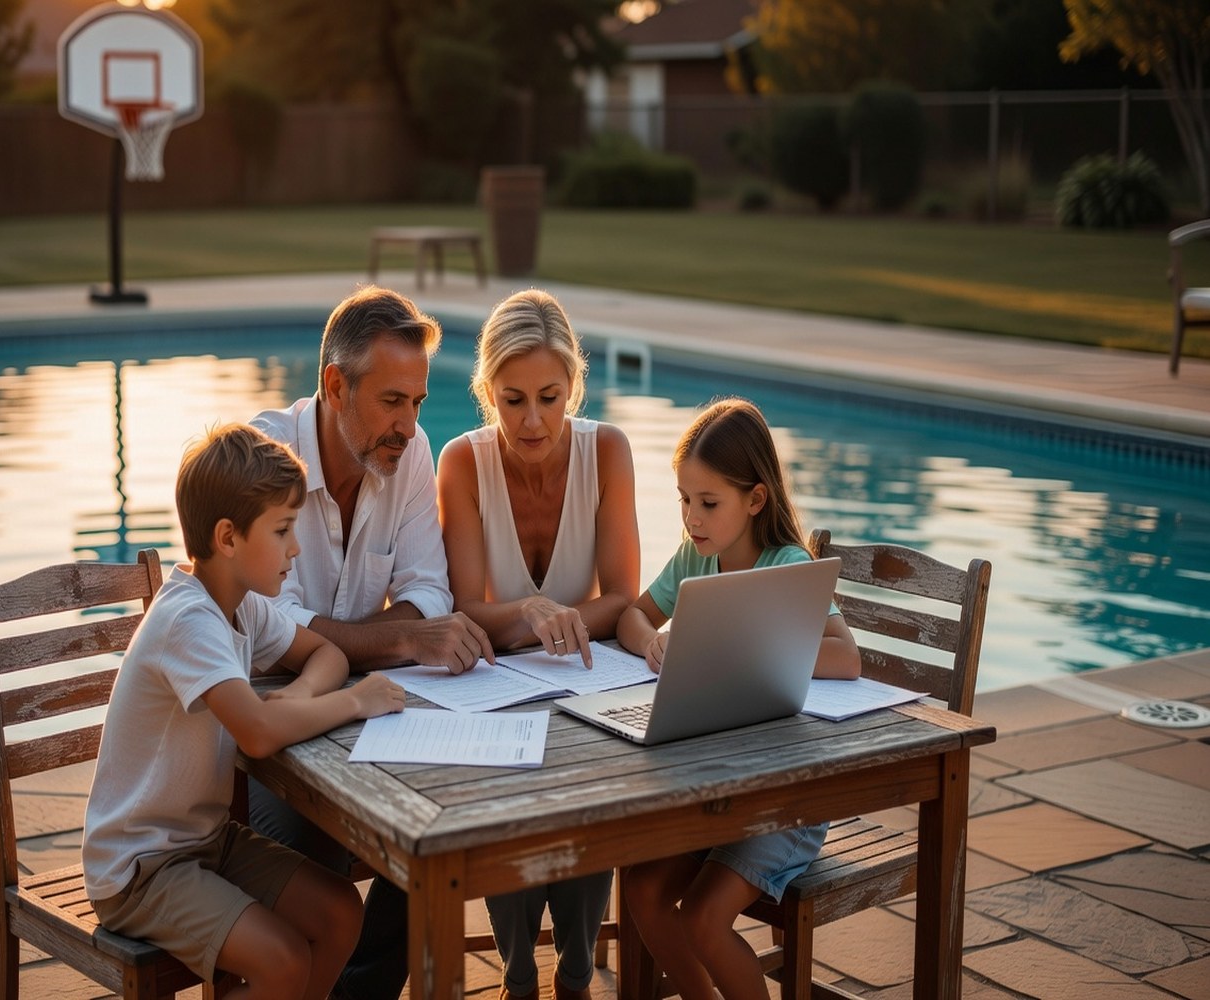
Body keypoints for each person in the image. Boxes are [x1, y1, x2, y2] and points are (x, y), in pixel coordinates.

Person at [81, 423, 407, 999]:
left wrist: (300, 696)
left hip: (207, 841)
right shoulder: (188, 620)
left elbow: (327, 653)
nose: (295, 548)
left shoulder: (242, 606)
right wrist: (356, 700)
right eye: (282, 530)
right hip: (141, 868)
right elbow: (257, 733)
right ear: (228, 537)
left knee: (340, 914)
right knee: (283, 961)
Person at [249, 285, 496, 1000]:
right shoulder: (260, 460)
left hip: (362, 713)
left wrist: (388, 638)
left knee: (440, 826)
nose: (409, 425)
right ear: (336, 387)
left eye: (417, 402)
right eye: (392, 401)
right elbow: (272, 633)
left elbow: (431, 592)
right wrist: (405, 638)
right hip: (264, 736)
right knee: (314, 853)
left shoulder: (407, 455)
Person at [614, 397, 861, 1000]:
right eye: (684, 500)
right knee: (642, 889)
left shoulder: (788, 566)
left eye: (708, 503)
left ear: (755, 500)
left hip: (786, 800)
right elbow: (630, 616)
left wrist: (746, 652)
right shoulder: (695, 556)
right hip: (716, 793)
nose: (691, 518)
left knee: (703, 919)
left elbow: (846, 657)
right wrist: (651, 642)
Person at [435, 289, 640, 1000]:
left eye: (549, 398)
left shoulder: (607, 450)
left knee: (597, 786)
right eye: (512, 399)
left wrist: (560, 620)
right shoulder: (462, 463)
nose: (531, 421)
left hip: (585, 675)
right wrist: (530, 611)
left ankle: (576, 972)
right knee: (503, 796)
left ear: (573, 388)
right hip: (498, 685)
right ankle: (519, 974)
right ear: (486, 391)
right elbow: (465, 608)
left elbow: (623, 596)